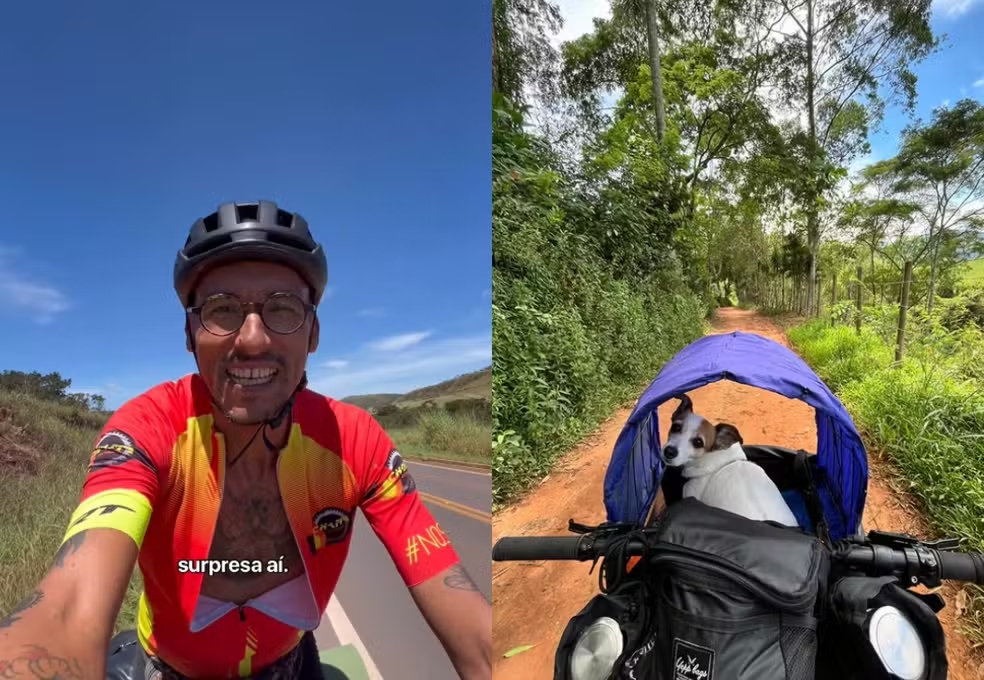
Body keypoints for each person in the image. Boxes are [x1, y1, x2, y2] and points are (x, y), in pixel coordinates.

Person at [0, 201, 492, 679]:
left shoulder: (352, 440)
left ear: (314, 332)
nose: (252, 339)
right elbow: (67, 606)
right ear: (190, 334)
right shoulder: (148, 428)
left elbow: (452, 591)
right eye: (222, 310)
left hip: (292, 663)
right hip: (166, 668)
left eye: (282, 309)